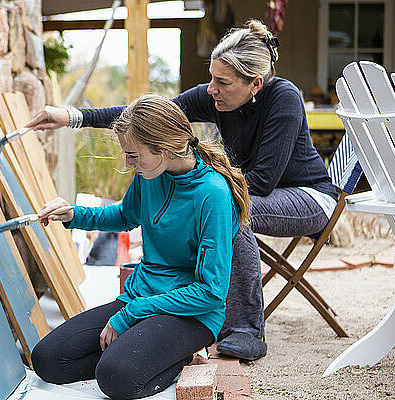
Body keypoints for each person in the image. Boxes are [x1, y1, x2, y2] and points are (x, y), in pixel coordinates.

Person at [26, 19, 338, 361]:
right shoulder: (217, 99)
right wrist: (72, 117)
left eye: (222, 82)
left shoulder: (284, 98)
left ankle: (246, 329)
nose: (211, 89)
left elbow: (260, 182)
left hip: (309, 197)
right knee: (228, 203)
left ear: (255, 84)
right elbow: (146, 118)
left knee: (233, 207)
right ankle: (194, 302)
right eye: (211, 78)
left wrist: (202, 200)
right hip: (262, 193)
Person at [30, 94, 250, 399]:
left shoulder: (212, 195)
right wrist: (73, 214)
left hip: (192, 314)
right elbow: (124, 214)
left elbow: (211, 292)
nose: (127, 163)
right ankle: (130, 358)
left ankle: (178, 355)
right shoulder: (150, 174)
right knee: (47, 359)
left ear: (162, 149)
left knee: (116, 379)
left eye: (133, 155)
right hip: (142, 296)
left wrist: (132, 314)